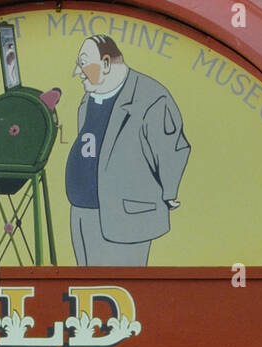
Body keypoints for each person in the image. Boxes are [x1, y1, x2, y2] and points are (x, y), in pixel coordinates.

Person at [66, 35, 191, 266]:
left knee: (122, 286)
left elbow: (174, 149)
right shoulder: (90, 97)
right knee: (87, 287)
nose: (77, 71)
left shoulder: (151, 97)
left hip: (127, 217)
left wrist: (168, 193)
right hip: (84, 212)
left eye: (83, 63)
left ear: (105, 64)